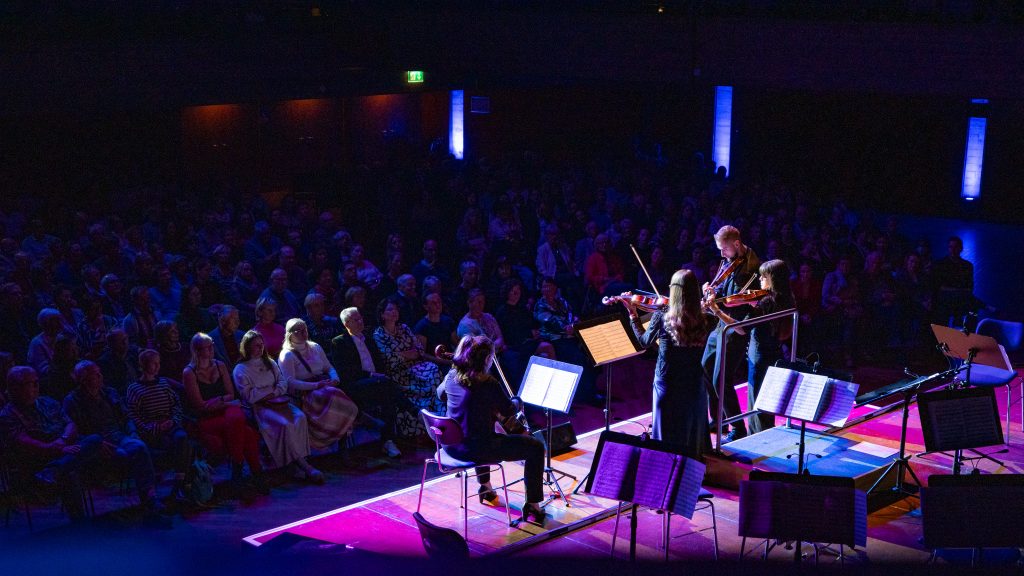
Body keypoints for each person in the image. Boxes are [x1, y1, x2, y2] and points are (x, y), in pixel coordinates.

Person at [436, 335, 547, 526]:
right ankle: (533, 505)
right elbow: (508, 410)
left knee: (480, 427)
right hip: (476, 449)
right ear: (487, 359)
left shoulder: (451, 376)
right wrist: (517, 401)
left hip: (451, 446)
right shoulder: (487, 383)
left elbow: (440, 395)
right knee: (535, 447)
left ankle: (485, 488)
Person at [617, 269, 713, 458]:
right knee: (692, 435)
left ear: (674, 291)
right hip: (694, 383)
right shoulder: (708, 319)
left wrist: (633, 314)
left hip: (668, 384)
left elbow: (644, 342)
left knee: (667, 437)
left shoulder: (662, 316)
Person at [62, 360, 166, 517]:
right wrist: (95, 444)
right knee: (124, 456)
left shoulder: (109, 393)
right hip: (99, 443)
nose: (100, 376)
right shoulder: (72, 401)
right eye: (95, 374)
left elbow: (126, 417)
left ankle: (150, 499)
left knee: (139, 447)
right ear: (83, 379)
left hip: (119, 436)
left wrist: (133, 432)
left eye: (99, 372)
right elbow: (72, 431)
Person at [0, 366, 99, 521]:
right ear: (15, 388)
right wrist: (53, 448)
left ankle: (54, 470)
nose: (36, 387)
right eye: (30, 384)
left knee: (95, 439)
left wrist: (62, 441)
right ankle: (79, 523)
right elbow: (23, 442)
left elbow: (70, 424)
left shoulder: (47, 402)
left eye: (37, 382)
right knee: (70, 472)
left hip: (63, 447)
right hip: (37, 459)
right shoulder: (8, 415)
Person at [708, 259, 794, 435]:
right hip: (774, 352)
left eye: (763, 277)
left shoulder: (766, 302)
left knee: (756, 402)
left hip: (760, 356)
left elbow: (740, 329)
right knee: (766, 401)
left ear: (773, 279)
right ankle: (763, 435)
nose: (760, 280)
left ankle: (757, 438)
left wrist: (716, 310)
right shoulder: (787, 297)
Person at [233, 330, 323, 483]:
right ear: (247, 347)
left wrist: (271, 392)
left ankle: (299, 461)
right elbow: (249, 395)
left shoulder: (270, 362)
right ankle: (302, 465)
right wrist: (270, 391)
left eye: (261, 345)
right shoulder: (240, 369)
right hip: (261, 407)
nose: (260, 348)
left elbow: (282, 383)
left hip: (279, 402)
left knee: (300, 417)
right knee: (284, 425)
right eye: (256, 345)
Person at [182, 333, 266, 493]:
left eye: (212, 345)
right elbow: (200, 406)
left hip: (225, 414)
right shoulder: (189, 373)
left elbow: (231, 394)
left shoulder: (220, 366)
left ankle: (240, 473)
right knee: (244, 429)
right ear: (197, 350)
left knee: (237, 420)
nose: (211, 349)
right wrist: (225, 402)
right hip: (207, 420)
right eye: (207, 347)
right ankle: (253, 472)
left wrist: (218, 401)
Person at [701, 225, 760, 442]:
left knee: (721, 379)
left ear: (736, 243)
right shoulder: (729, 261)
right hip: (720, 324)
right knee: (705, 368)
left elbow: (743, 305)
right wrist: (711, 291)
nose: (722, 254)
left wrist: (716, 306)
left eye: (724, 249)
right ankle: (719, 419)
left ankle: (737, 427)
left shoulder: (752, 269)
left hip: (735, 328)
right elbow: (723, 290)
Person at [331, 307, 412, 459]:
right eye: (356, 319)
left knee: (388, 395)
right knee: (387, 386)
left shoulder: (368, 338)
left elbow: (380, 363)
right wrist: (371, 375)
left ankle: (388, 441)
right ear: (346, 323)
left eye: (360, 318)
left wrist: (380, 375)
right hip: (356, 385)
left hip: (378, 384)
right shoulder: (339, 342)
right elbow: (346, 372)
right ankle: (414, 411)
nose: (360, 321)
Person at [279, 319, 358, 451]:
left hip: (323, 385)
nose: (303, 333)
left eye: (305, 329)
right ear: (290, 334)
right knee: (334, 397)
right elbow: (290, 381)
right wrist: (315, 385)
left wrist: (335, 378)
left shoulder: (315, 347)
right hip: (305, 392)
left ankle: (343, 441)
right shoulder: (287, 355)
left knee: (337, 395)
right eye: (299, 331)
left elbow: (328, 367)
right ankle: (332, 437)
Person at [125, 349, 192, 502]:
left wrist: (173, 420)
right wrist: (153, 427)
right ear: (143, 365)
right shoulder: (134, 389)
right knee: (175, 446)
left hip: (170, 424)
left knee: (182, 438)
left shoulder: (163, 383)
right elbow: (132, 415)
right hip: (152, 430)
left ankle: (180, 481)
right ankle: (181, 485)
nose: (157, 366)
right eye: (153, 363)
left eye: (158, 363)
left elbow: (176, 405)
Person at [373, 300, 445, 437]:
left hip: (416, 366)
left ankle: (440, 418)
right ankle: (421, 424)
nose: (394, 312)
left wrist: (403, 354)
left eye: (395, 309)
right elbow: (388, 358)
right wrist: (407, 354)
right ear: (382, 314)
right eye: (390, 310)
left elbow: (419, 350)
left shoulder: (404, 328)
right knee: (425, 376)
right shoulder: (379, 334)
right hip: (398, 371)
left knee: (434, 370)